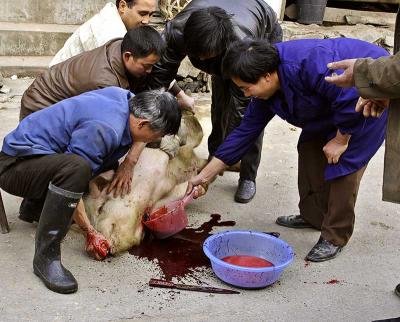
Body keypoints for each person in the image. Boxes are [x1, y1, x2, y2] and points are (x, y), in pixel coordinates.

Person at [187, 38, 388, 262]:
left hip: (365, 101)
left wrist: (341, 139)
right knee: (309, 149)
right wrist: (204, 177)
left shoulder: (313, 64)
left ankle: (335, 236)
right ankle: (313, 216)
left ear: (267, 76)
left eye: (246, 88)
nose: (245, 95)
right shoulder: (265, 87)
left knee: (343, 166)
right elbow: (244, 133)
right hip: (325, 109)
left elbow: (350, 97)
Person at [0, 87, 181, 294]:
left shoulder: (125, 98)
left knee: (98, 162)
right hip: (14, 168)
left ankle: (34, 206)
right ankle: (46, 258)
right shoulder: (104, 129)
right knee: (78, 170)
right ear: (142, 123)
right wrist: (90, 231)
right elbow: (75, 176)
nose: (152, 141)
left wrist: (129, 162)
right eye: (154, 136)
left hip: (36, 155)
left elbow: (125, 141)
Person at [147, 0, 282, 203]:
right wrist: (155, 125)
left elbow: (242, 114)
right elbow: (159, 78)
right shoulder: (176, 32)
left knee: (253, 109)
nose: (202, 60)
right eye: (198, 56)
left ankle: (248, 175)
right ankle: (215, 155)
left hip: (261, 33)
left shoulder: (241, 42)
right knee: (219, 104)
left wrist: (229, 155)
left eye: (207, 56)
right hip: (221, 46)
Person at [18, 26, 164, 211]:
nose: (150, 71)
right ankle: (42, 205)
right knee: (79, 163)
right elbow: (93, 141)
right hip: (41, 105)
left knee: (105, 153)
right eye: (146, 66)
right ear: (128, 57)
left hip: (60, 100)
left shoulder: (124, 48)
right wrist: (129, 162)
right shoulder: (106, 83)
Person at [325, 31, 400, 299]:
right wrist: (381, 89)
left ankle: (334, 236)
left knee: (347, 162)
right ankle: (314, 218)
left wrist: (363, 73)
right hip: (384, 86)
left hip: (377, 79)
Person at [49, 0, 157, 66]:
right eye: (142, 13)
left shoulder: (115, 17)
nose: (146, 21)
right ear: (122, 6)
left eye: (151, 14)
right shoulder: (110, 35)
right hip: (58, 95)